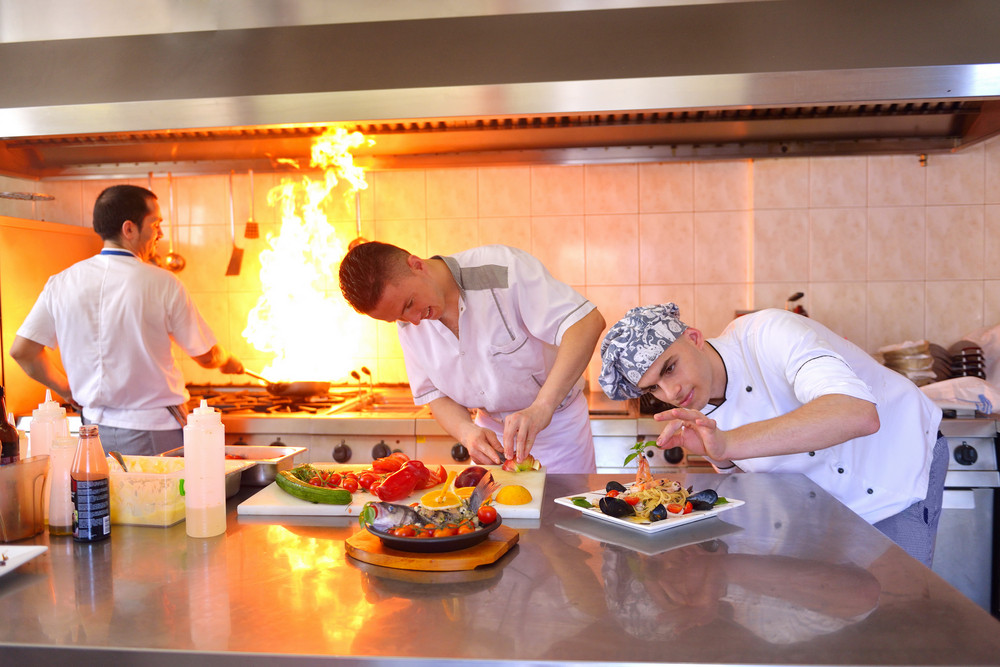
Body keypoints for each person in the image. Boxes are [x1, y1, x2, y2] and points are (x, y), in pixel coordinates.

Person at [598, 303, 947, 566]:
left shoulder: (768, 333)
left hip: (894, 462)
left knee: (898, 624)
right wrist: (719, 455)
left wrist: (729, 442)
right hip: (820, 501)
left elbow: (857, 413)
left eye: (670, 367)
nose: (671, 392)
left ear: (694, 337)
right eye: (654, 388)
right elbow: (743, 470)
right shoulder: (694, 400)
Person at [10, 184, 244, 456]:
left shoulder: (62, 282)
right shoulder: (162, 282)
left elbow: (23, 351)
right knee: (161, 499)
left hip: (93, 430)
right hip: (155, 431)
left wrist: (66, 390)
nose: (161, 233)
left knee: (107, 499)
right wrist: (229, 361)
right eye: (156, 224)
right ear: (129, 229)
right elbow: (206, 355)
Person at [339, 242, 605, 473]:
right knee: (494, 529)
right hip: (492, 444)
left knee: (563, 527)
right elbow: (433, 395)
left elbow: (586, 323)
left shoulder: (502, 269)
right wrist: (468, 433)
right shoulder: (410, 322)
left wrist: (542, 407)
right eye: (398, 317)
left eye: (409, 304)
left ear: (417, 265)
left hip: (558, 430)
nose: (413, 321)